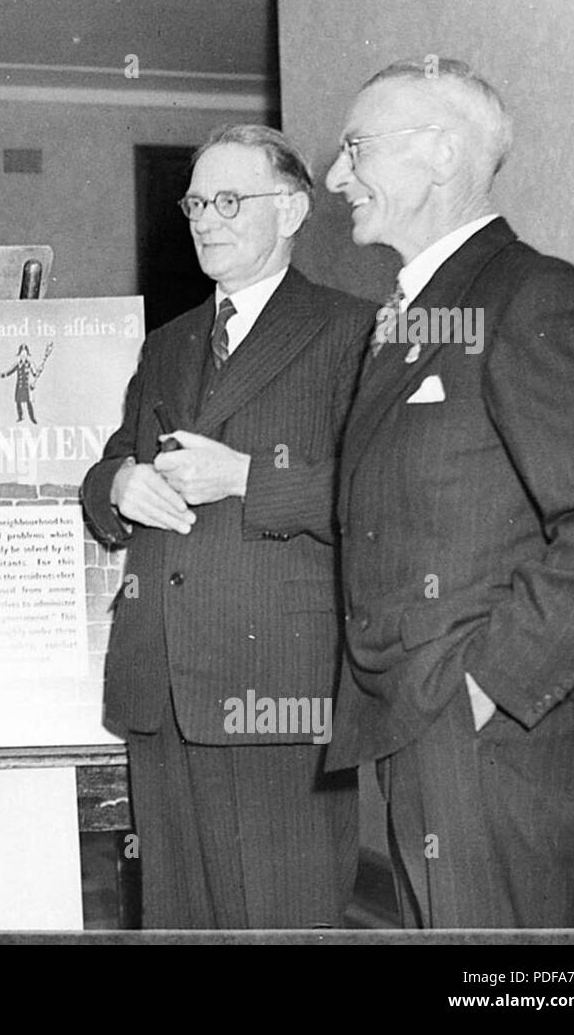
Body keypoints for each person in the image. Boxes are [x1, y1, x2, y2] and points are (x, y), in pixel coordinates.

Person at [324, 58, 574, 927]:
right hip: (411, 731)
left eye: (356, 148)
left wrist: (485, 688)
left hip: (485, 743)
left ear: (440, 155)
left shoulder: (534, 296)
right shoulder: (410, 316)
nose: (334, 175)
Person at [81, 124, 375, 928]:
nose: (204, 218)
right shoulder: (169, 343)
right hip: (162, 686)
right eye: (195, 202)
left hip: (279, 694)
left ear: (290, 210)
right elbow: (109, 467)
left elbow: (383, 502)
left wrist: (246, 478)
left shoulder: (356, 331)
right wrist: (121, 483)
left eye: (228, 200)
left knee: (281, 918)